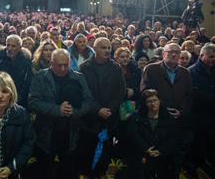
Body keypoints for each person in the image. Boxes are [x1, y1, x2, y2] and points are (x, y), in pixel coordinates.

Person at [28, 49, 94, 179]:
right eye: (59, 65)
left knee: (68, 171)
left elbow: (89, 101)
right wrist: (57, 110)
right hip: (46, 132)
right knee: (45, 171)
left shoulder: (78, 77)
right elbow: (33, 102)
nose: (63, 68)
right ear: (51, 63)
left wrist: (73, 111)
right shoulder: (41, 77)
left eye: (66, 64)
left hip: (70, 133)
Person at [140, 43, 193, 176]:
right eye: (170, 52)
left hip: (178, 120)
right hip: (156, 120)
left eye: (177, 52)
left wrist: (181, 111)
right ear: (163, 54)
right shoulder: (151, 69)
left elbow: (189, 95)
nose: (174, 54)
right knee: (155, 156)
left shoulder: (185, 72)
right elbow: (145, 91)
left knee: (174, 156)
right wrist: (162, 109)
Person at [78, 37, 126, 178]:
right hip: (90, 118)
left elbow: (120, 91)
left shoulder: (116, 67)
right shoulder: (84, 67)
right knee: (87, 148)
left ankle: (101, 172)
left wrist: (109, 109)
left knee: (105, 149)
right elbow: (83, 92)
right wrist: (97, 109)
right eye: (103, 48)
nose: (107, 50)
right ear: (95, 48)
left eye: (108, 48)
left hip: (109, 117)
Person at [127, 89, 177, 179]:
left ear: (159, 101)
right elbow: (133, 134)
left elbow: (173, 138)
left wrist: (160, 150)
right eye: (149, 101)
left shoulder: (168, 118)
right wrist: (145, 148)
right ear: (145, 104)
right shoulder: (136, 117)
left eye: (155, 100)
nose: (153, 104)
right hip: (141, 154)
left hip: (162, 157)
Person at [188, 43, 215, 169]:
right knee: (200, 141)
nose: (213, 59)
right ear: (201, 55)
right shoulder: (191, 71)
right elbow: (193, 92)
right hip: (199, 113)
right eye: (210, 57)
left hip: (212, 113)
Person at [0, 35, 32, 108]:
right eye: (8, 45)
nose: (9, 48)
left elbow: (28, 82)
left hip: (19, 99)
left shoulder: (26, 60)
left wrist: (17, 97)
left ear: (20, 47)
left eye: (13, 46)